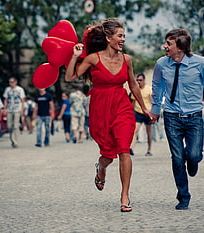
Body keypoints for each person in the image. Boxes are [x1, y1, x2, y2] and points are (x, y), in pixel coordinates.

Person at [65, 18, 151, 212]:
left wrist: (144, 109)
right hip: (100, 110)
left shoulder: (126, 59)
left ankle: (125, 196)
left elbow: (134, 85)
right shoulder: (93, 58)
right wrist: (74, 56)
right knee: (108, 155)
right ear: (108, 37)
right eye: (120, 36)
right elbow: (70, 77)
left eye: (124, 36)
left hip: (122, 107)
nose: (123, 39)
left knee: (124, 150)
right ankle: (101, 168)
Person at [150, 29, 204, 210]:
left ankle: (192, 161)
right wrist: (155, 109)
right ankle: (183, 196)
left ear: (180, 47)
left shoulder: (200, 63)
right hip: (172, 117)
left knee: (193, 155)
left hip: (194, 117)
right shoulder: (161, 64)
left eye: (169, 43)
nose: (165, 46)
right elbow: (157, 86)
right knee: (176, 158)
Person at [130, 73, 153, 156]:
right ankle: (131, 148)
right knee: (135, 130)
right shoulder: (136, 89)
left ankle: (149, 149)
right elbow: (133, 102)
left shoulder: (149, 89)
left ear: (144, 80)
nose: (139, 82)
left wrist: (153, 113)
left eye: (140, 80)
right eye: (137, 80)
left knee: (148, 132)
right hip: (138, 112)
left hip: (147, 113)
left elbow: (152, 102)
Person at [3, 77, 26, 148]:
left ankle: (15, 141)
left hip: (17, 109)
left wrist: (22, 109)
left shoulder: (20, 89)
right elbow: (6, 99)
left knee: (16, 126)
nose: (11, 83)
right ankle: (12, 139)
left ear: (16, 82)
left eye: (12, 82)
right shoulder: (7, 89)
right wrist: (4, 109)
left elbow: (22, 100)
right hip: (9, 109)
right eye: (10, 82)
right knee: (9, 126)